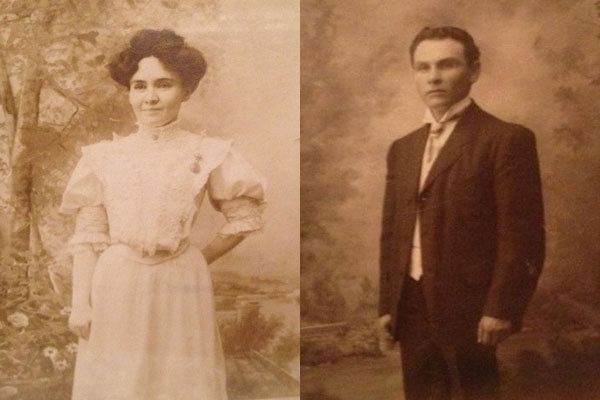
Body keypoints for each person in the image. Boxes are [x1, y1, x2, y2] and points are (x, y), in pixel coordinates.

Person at [59, 29, 266, 400]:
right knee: (118, 384)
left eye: (164, 85)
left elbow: (244, 218)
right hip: (116, 282)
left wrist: (195, 259)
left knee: (180, 384)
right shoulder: (103, 157)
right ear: (129, 92)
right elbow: (88, 235)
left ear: (186, 91)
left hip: (181, 286)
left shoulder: (206, 152)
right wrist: (80, 305)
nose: (150, 98)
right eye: (139, 86)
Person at [377, 26, 545, 400]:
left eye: (447, 65)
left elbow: (522, 235)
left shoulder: (505, 139)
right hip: (413, 304)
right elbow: (393, 234)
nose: (433, 77)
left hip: (472, 307)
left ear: (474, 71)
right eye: (423, 68)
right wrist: (388, 305)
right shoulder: (402, 148)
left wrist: (501, 307)